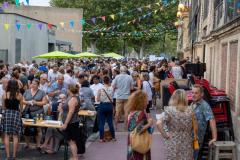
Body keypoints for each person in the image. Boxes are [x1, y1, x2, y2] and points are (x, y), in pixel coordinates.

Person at [157, 89, 194, 160]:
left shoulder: (169, 110)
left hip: (173, 141)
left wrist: (165, 135)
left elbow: (158, 123)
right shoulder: (190, 110)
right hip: (187, 141)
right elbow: (195, 126)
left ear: (173, 98)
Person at [191, 84, 217, 160]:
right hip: (190, 137)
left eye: (196, 93)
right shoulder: (193, 103)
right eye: (192, 93)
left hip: (197, 139)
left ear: (201, 94)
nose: (193, 95)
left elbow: (211, 120)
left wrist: (214, 137)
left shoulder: (204, 106)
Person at [126, 90, 153, 160]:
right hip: (140, 142)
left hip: (132, 141)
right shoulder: (141, 114)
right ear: (141, 102)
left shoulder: (131, 113)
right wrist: (149, 123)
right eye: (146, 100)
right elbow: (139, 129)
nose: (147, 103)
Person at [23, 79, 48, 149]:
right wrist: (27, 102)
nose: (33, 85)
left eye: (35, 84)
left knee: (38, 128)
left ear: (38, 85)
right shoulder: (27, 91)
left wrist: (36, 102)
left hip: (38, 112)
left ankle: (38, 144)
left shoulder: (42, 92)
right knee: (26, 128)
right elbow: (22, 100)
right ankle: (27, 144)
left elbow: (44, 102)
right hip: (28, 112)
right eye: (32, 84)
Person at [2, 80, 23, 160]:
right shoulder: (19, 95)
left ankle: (7, 156)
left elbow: (3, 107)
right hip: (16, 114)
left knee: (6, 135)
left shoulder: (5, 95)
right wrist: (19, 113)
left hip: (7, 114)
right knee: (15, 135)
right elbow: (21, 108)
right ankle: (14, 156)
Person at [61, 84, 82, 160]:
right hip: (72, 121)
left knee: (71, 141)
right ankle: (74, 156)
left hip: (71, 122)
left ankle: (75, 157)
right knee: (71, 141)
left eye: (67, 89)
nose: (66, 90)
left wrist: (66, 123)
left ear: (70, 90)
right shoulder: (73, 98)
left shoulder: (73, 99)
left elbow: (71, 112)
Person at [112, 66, 134, 130]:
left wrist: (118, 88)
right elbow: (132, 88)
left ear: (120, 71)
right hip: (127, 96)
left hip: (119, 96)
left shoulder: (117, 77)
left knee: (117, 112)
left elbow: (113, 86)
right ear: (126, 70)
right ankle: (125, 127)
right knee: (126, 112)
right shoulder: (129, 77)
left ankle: (116, 127)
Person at [96, 76, 116, 142]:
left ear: (103, 81)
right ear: (109, 81)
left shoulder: (100, 89)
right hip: (109, 105)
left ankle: (101, 138)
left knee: (102, 123)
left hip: (102, 105)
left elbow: (97, 99)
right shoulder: (112, 88)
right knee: (110, 122)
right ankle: (113, 137)